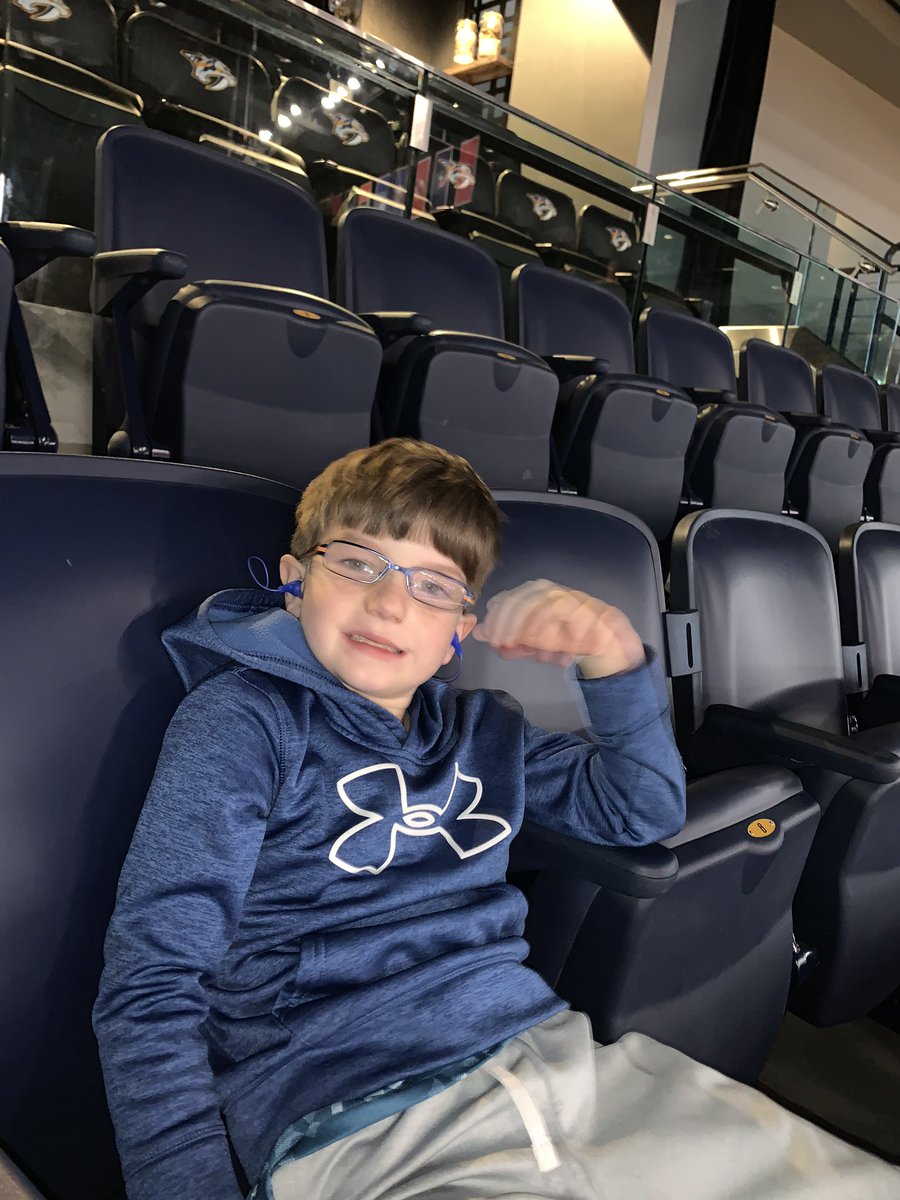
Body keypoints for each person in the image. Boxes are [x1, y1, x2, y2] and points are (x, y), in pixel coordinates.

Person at [93, 440, 900, 1200]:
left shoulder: (485, 729)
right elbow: (150, 986)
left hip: (558, 1063)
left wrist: (613, 660)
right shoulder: (245, 720)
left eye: (432, 585)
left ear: (458, 633)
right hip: (353, 1117)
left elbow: (641, 810)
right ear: (295, 579)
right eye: (358, 562)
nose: (388, 602)